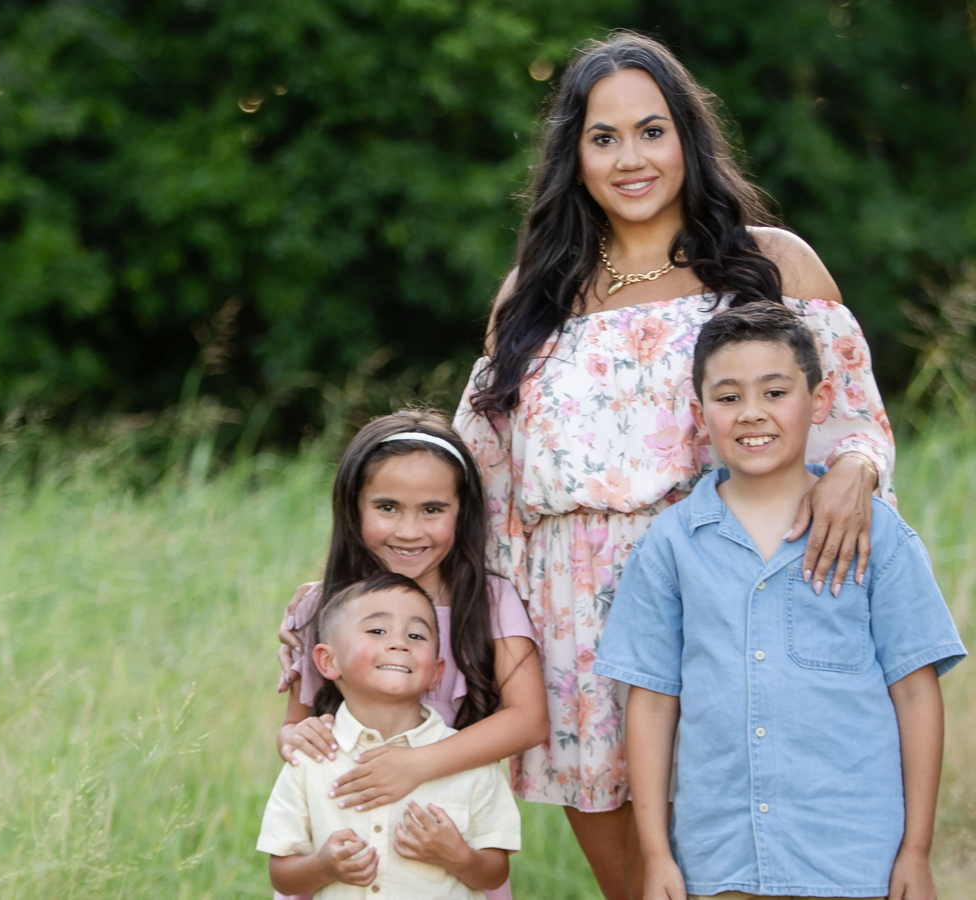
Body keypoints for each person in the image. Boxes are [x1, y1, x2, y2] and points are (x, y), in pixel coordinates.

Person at [453, 30, 895, 900]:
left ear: (686, 137)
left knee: (762, 862)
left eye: (651, 131)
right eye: (604, 137)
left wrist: (856, 469)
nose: (631, 159)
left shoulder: (771, 264)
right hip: (575, 631)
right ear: (574, 156)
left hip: (731, 595)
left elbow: (853, 419)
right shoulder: (533, 295)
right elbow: (484, 485)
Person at [592, 303, 966, 900]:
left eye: (775, 391)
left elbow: (916, 692)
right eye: (729, 396)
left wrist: (916, 852)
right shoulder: (670, 545)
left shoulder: (879, 535)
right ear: (700, 414)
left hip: (853, 858)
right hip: (720, 860)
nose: (752, 412)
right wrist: (658, 855)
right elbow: (653, 702)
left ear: (819, 401)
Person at [274, 410, 549, 900]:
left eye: (431, 510)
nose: (408, 531)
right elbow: (295, 726)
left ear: (461, 512)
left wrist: (415, 765)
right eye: (387, 507)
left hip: (448, 844)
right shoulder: (323, 607)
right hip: (344, 850)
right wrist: (297, 736)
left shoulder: (490, 601)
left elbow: (529, 720)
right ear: (353, 508)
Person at [259, 572, 522, 897]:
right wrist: (323, 867)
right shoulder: (312, 757)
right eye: (377, 630)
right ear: (328, 661)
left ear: (436, 672)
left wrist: (458, 857)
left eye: (416, 635)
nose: (399, 643)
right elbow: (281, 876)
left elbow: (495, 874)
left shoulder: (470, 763)